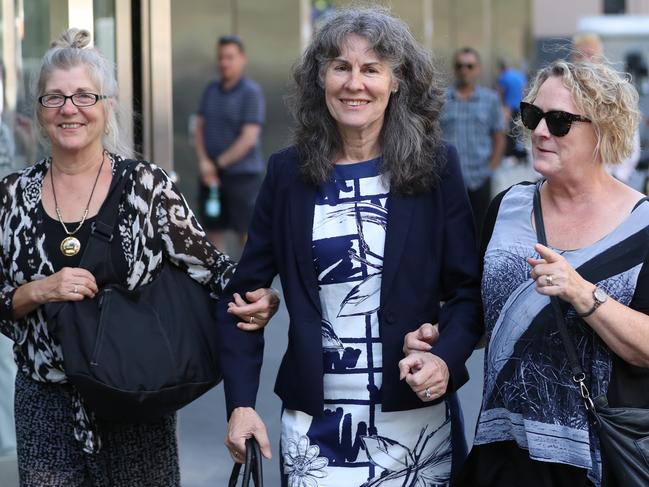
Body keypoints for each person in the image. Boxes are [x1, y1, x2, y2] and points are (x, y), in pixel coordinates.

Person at [216, 7, 483, 487]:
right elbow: (242, 300)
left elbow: (467, 293)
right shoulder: (287, 173)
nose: (353, 83)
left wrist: (446, 358)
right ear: (321, 79)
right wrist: (240, 405)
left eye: (371, 69)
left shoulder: (436, 167)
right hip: (315, 431)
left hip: (414, 425)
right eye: (340, 66)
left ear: (396, 82)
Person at [0, 28, 278, 486]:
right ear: (39, 109)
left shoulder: (146, 186)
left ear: (106, 106)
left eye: (84, 96)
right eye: (55, 98)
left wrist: (263, 296)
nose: (70, 109)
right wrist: (39, 290)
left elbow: (213, 270)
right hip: (44, 405)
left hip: (136, 399)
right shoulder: (13, 196)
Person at [405, 60, 649, 487]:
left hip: (596, 462)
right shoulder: (506, 207)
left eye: (559, 121)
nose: (539, 132)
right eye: (534, 115)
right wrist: (439, 342)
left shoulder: (642, 227)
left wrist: (582, 293)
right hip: (503, 454)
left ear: (605, 130)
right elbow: (487, 317)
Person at [194, 34, 266, 252]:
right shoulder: (211, 90)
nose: (224, 62)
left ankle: (247, 283)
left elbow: (248, 138)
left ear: (241, 59)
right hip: (210, 177)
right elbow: (199, 127)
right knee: (212, 229)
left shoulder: (251, 93)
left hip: (242, 177)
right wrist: (204, 162)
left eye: (230, 57)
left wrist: (215, 164)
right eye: (221, 57)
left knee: (245, 233)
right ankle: (219, 282)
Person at [440, 47, 506, 238]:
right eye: (460, 66)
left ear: (477, 69)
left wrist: (490, 170)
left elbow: (499, 138)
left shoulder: (490, 99)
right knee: (450, 231)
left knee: (481, 231)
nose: (464, 70)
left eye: (470, 66)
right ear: (454, 69)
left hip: (479, 178)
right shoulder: (441, 99)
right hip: (449, 178)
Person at [497, 58, 528, 163]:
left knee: (509, 131)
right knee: (520, 131)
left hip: (510, 108)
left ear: (501, 68)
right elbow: (526, 89)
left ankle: (510, 155)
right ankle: (521, 155)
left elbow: (501, 93)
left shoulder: (503, 77)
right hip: (521, 106)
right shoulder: (519, 75)